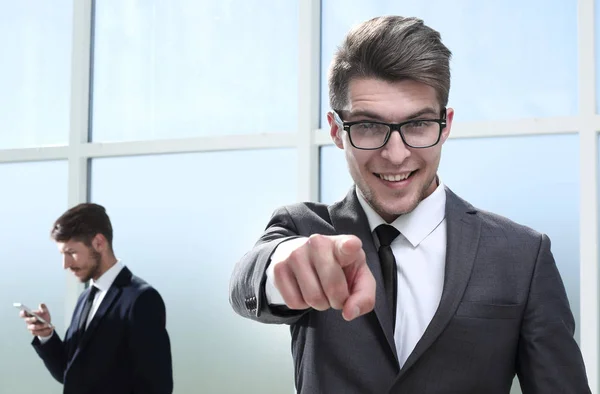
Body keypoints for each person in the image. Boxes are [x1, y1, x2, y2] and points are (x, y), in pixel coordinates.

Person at [229, 15, 590, 393]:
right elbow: (247, 281)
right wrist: (283, 266)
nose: (396, 155)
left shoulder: (522, 255)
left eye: (417, 125)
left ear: (445, 125)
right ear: (337, 130)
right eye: (369, 126)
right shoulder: (305, 230)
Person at [20, 203, 173, 394]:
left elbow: (157, 386)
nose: (65, 264)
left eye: (71, 253)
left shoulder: (141, 299)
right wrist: (46, 335)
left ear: (99, 243)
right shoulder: (85, 298)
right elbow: (69, 374)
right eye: (62, 255)